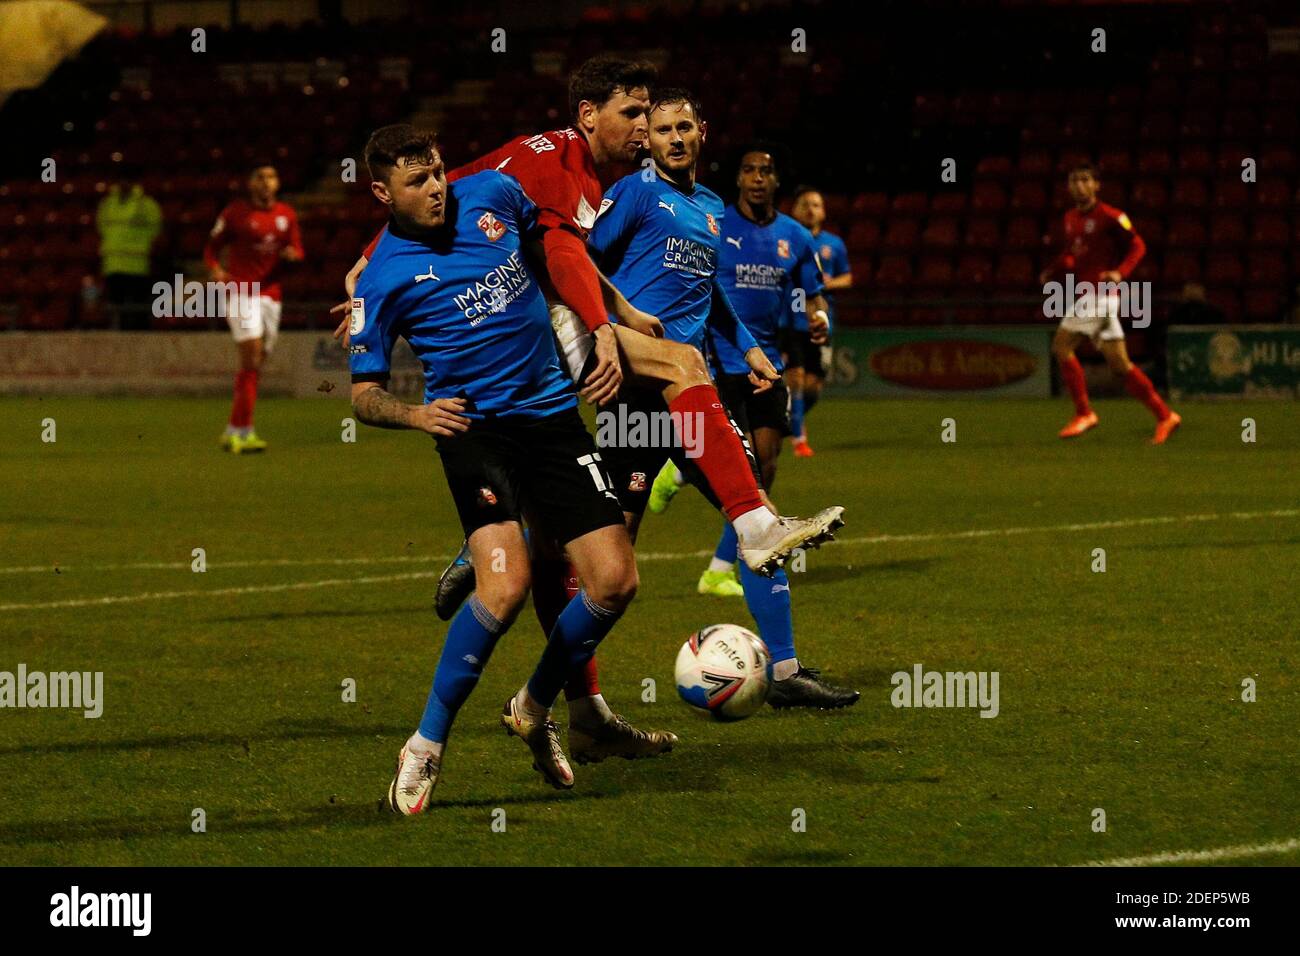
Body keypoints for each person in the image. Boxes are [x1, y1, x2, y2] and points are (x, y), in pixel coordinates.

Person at [347, 126, 639, 813]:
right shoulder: (383, 277)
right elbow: (362, 394)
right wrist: (417, 415)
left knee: (615, 582)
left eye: (439, 172)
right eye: (417, 182)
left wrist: (587, 320)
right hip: (475, 435)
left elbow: (548, 250)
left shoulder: (496, 193)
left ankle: (534, 705)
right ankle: (424, 746)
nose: (436, 188)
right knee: (505, 589)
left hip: (552, 420)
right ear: (382, 193)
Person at [593, 92, 858, 709]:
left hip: (696, 395)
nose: (675, 138)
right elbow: (579, 260)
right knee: (610, 552)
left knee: (756, 519)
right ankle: (572, 686)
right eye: (662, 130)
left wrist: (750, 347)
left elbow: (708, 294)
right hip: (635, 393)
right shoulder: (632, 194)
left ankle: (786, 673)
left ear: (702, 133)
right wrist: (616, 319)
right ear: (648, 140)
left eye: (684, 126)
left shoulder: (711, 207)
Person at [1039, 162, 1180, 444]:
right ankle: (1165, 416)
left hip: (1100, 295)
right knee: (1120, 365)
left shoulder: (1111, 216)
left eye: (1085, 180)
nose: (1079, 185)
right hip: (1087, 294)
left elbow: (1138, 245)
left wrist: (1121, 272)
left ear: (1096, 185)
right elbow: (1072, 252)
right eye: (1074, 181)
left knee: (1061, 346)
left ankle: (1084, 413)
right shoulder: (1069, 218)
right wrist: (1053, 271)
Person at [204, 162, 304, 454]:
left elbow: (298, 250)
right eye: (260, 177)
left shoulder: (287, 215)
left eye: (271, 176)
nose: (266, 182)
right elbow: (211, 248)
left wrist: (291, 255)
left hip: (271, 296)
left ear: (277, 183)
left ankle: (233, 429)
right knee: (251, 360)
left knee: (256, 365)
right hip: (241, 292)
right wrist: (215, 269)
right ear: (250, 183)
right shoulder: (235, 213)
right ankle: (244, 431)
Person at [786, 186, 852, 456]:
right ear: (795, 209)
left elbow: (847, 278)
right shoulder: (786, 239)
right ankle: (799, 440)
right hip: (790, 321)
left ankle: (787, 418)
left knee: (813, 386)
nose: (810, 209)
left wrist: (828, 282)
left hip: (822, 321)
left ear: (823, 212)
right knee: (797, 379)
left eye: (816, 204)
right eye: (805, 204)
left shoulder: (834, 244)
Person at [95, 167, 162, 331]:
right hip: (113, 264)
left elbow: (155, 229)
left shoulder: (146, 204)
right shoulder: (107, 203)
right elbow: (101, 226)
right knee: (116, 307)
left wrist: (139, 245)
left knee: (138, 309)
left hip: (137, 264)